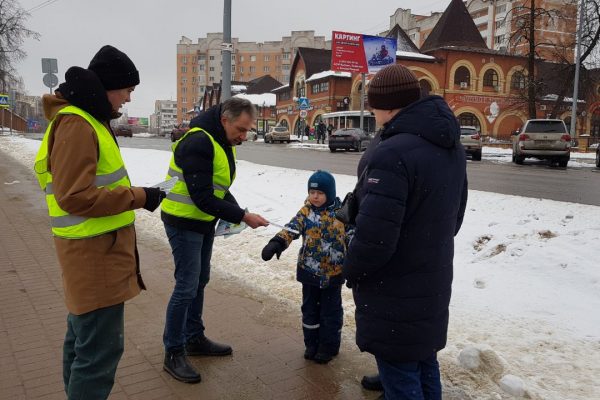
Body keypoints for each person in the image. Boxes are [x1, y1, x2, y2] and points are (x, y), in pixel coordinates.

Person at [33, 45, 165, 400]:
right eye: (127, 89)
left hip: (92, 251)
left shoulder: (85, 119)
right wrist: (141, 196)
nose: (129, 98)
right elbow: (75, 196)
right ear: (108, 85)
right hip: (93, 256)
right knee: (98, 352)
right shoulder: (78, 123)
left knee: (83, 342)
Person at [342, 64, 468, 399]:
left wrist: (351, 267)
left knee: (400, 372)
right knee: (422, 358)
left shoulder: (392, 152)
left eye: (372, 104)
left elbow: (374, 241)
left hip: (394, 286)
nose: (370, 110)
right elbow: (455, 216)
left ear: (387, 105)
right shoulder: (449, 145)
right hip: (430, 276)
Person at [160, 97, 269, 383]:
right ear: (224, 120)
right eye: (241, 129)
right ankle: (173, 351)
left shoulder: (220, 140)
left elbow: (216, 188)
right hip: (183, 221)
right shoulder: (199, 141)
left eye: (248, 130)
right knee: (186, 286)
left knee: (199, 281)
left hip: (202, 222)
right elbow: (202, 196)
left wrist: (238, 211)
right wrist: (242, 216)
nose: (244, 136)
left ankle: (194, 338)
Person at [261, 170, 351, 364]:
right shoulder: (306, 212)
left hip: (333, 274)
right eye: (312, 192)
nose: (315, 196)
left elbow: (352, 239)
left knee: (330, 312)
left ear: (330, 192)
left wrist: (356, 265)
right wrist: (277, 242)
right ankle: (311, 344)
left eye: (319, 193)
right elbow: (291, 228)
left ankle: (328, 346)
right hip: (309, 271)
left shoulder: (342, 214)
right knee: (310, 310)